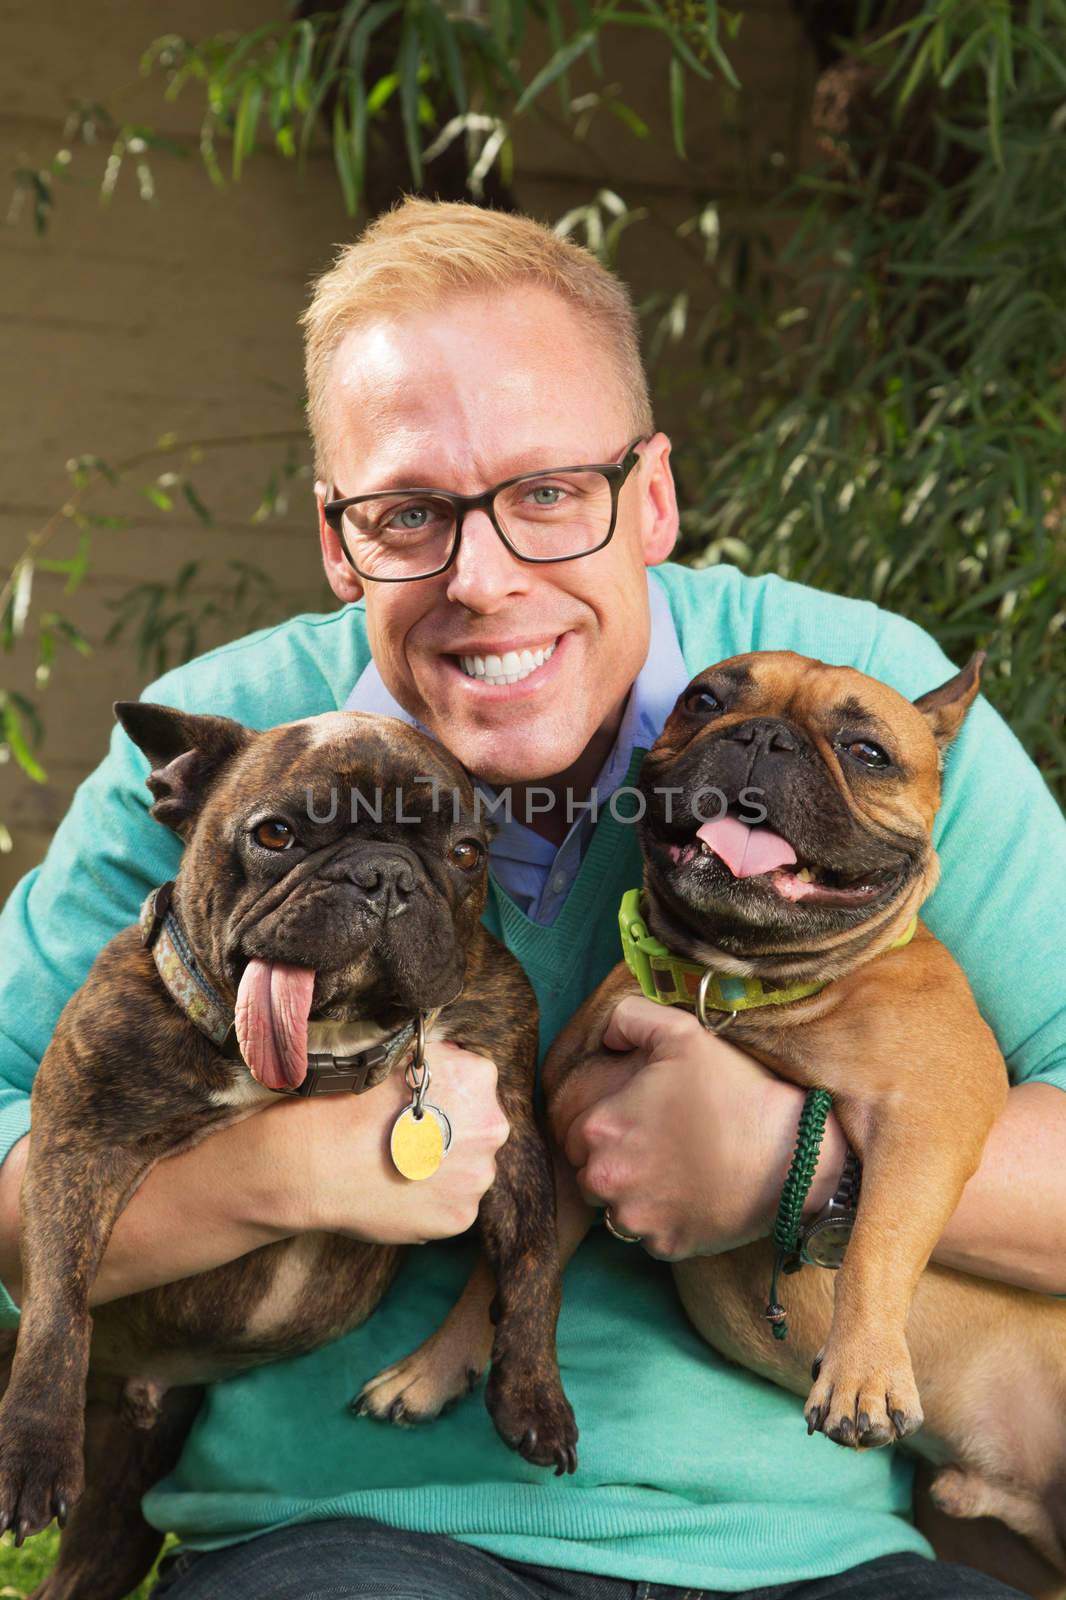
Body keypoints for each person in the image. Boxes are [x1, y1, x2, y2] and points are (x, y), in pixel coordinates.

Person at [0, 200, 1063, 1600]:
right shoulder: (234, 748)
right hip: (341, 1535)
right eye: (409, 511)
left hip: (807, 1550)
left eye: (548, 492)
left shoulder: (864, 698)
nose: (484, 579)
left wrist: (793, 1163)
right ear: (337, 537)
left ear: (653, 498)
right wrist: (293, 1171)